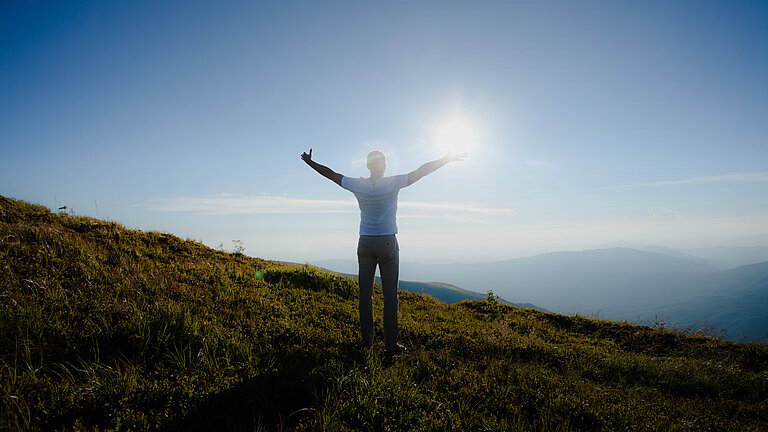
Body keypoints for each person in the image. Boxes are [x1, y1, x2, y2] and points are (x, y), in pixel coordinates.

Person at [301, 148, 465, 353]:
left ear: (368, 166)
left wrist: (310, 162)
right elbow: (422, 171)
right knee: (390, 296)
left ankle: (367, 341)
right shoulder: (392, 183)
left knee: (364, 295)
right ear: (384, 166)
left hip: (365, 243)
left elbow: (331, 174)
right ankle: (390, 345)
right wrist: (446, 159)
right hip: (387, 243)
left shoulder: (357, 184)